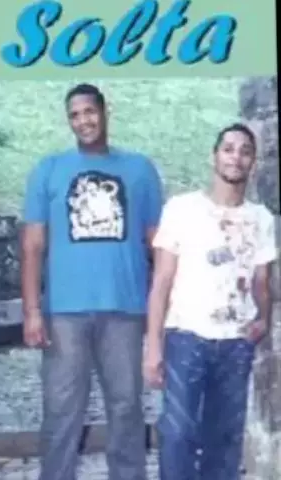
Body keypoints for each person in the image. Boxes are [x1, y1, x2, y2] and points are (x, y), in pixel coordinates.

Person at [20, 83, 164, 480]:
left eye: (89, 111)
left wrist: (166, 306)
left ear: (104, 111)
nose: (83, 121)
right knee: (61, 409)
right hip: (64, 312)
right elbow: (32, 245)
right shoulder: (48, 169)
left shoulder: (140, 169)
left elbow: (157, 242)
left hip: (125, 307)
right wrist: (32, 311)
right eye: (75, 115)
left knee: (126, 406)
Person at [144, 123, 277, 480]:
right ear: (214, 156)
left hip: (235, 343)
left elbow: (262, 281)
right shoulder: (181, 209)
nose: (236, 157)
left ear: (253, 163)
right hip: (186, 337)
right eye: (228, 149)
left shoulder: (261, 219)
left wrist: (263, 319)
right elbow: (161, 282)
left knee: (225, 439)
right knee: (177, 435)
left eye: (245, 151)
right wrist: (153, 347)